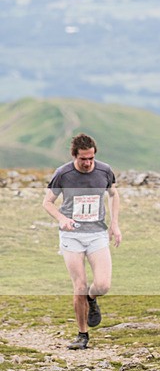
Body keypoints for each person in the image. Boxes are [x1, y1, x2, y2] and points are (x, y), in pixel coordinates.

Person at [43, 133, 122, 350]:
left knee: (103, 285)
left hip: (96, 233)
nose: (87, 163)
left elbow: (114, 195)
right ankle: (82, 335)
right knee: (79, 285)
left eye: (91, 158)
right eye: (83, 159)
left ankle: (92, 298)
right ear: (74, 156)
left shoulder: (104, 170)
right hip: (72, 236)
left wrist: (115, 224)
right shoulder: (63, 174)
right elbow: (48, 202)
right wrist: (62, 219)